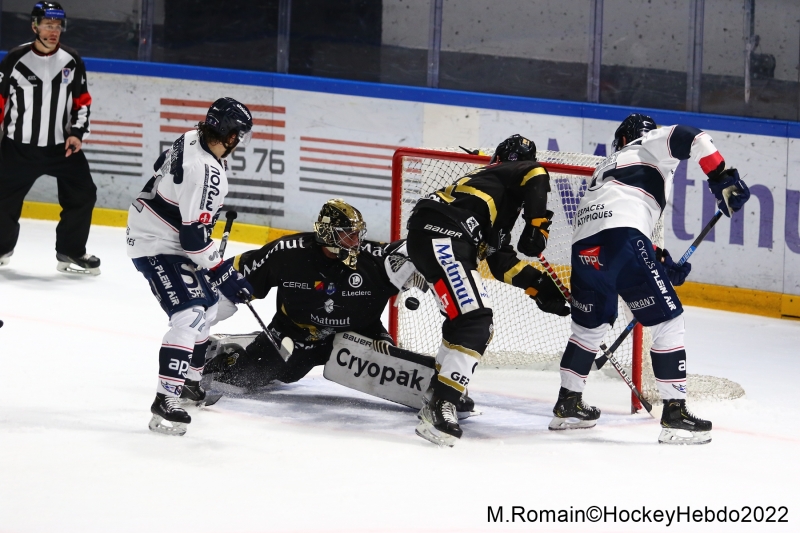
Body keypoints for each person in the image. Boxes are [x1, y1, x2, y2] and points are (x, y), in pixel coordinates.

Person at [549, 113, 750, 445]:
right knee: (669, 322)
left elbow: (617, 216)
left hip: (586, 245)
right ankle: (674, 415)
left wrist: (659, 261)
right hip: (623, 239)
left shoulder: (607, 166)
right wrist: (723, 177)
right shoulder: (650, 142)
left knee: (589, 328)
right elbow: (694, 136)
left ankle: (568, 403)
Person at [202, 199, 481, 414]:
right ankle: (228, 356)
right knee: (248, 380)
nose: (355, 242)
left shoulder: (373, 261)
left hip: (359, 334)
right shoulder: (289, 253)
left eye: (357, 235)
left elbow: (410, 259)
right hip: (296, 336)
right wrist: (220, 278)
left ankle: (446, 392)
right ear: (327, 234)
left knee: (386, 362)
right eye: (348, 236)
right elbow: (240, 270)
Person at [405, 134, 571, 447]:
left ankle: (439, 390)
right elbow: (535, 172)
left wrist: (538, 285)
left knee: (462, 318)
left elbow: (499, 261)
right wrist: (538, 225)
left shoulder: (492, 196)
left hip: (439, 237)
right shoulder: (516, 172)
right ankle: (440, 404)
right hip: (446, 237)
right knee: (476, 321)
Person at [126, 97, 255, 436]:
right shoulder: (206, 171)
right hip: (156, 240)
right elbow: (194, 241)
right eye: (238, 133)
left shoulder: (191, 136)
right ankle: (166, 397)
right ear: (228, 133)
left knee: (210, 307)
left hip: (161, 227)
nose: (238, 141)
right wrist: (225, 272)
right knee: (191, 314)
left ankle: (190, 383)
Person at [0, 2, 100, 275]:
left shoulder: (72, 59)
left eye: (57, 26)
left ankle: (71, 250)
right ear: (34, 26)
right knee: (3, 199)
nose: (53, 31)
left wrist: (77, 134)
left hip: (61, 148)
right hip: (17, 149)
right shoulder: (15, 58)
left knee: (83, 194)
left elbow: (82, 101)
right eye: (47, 25)